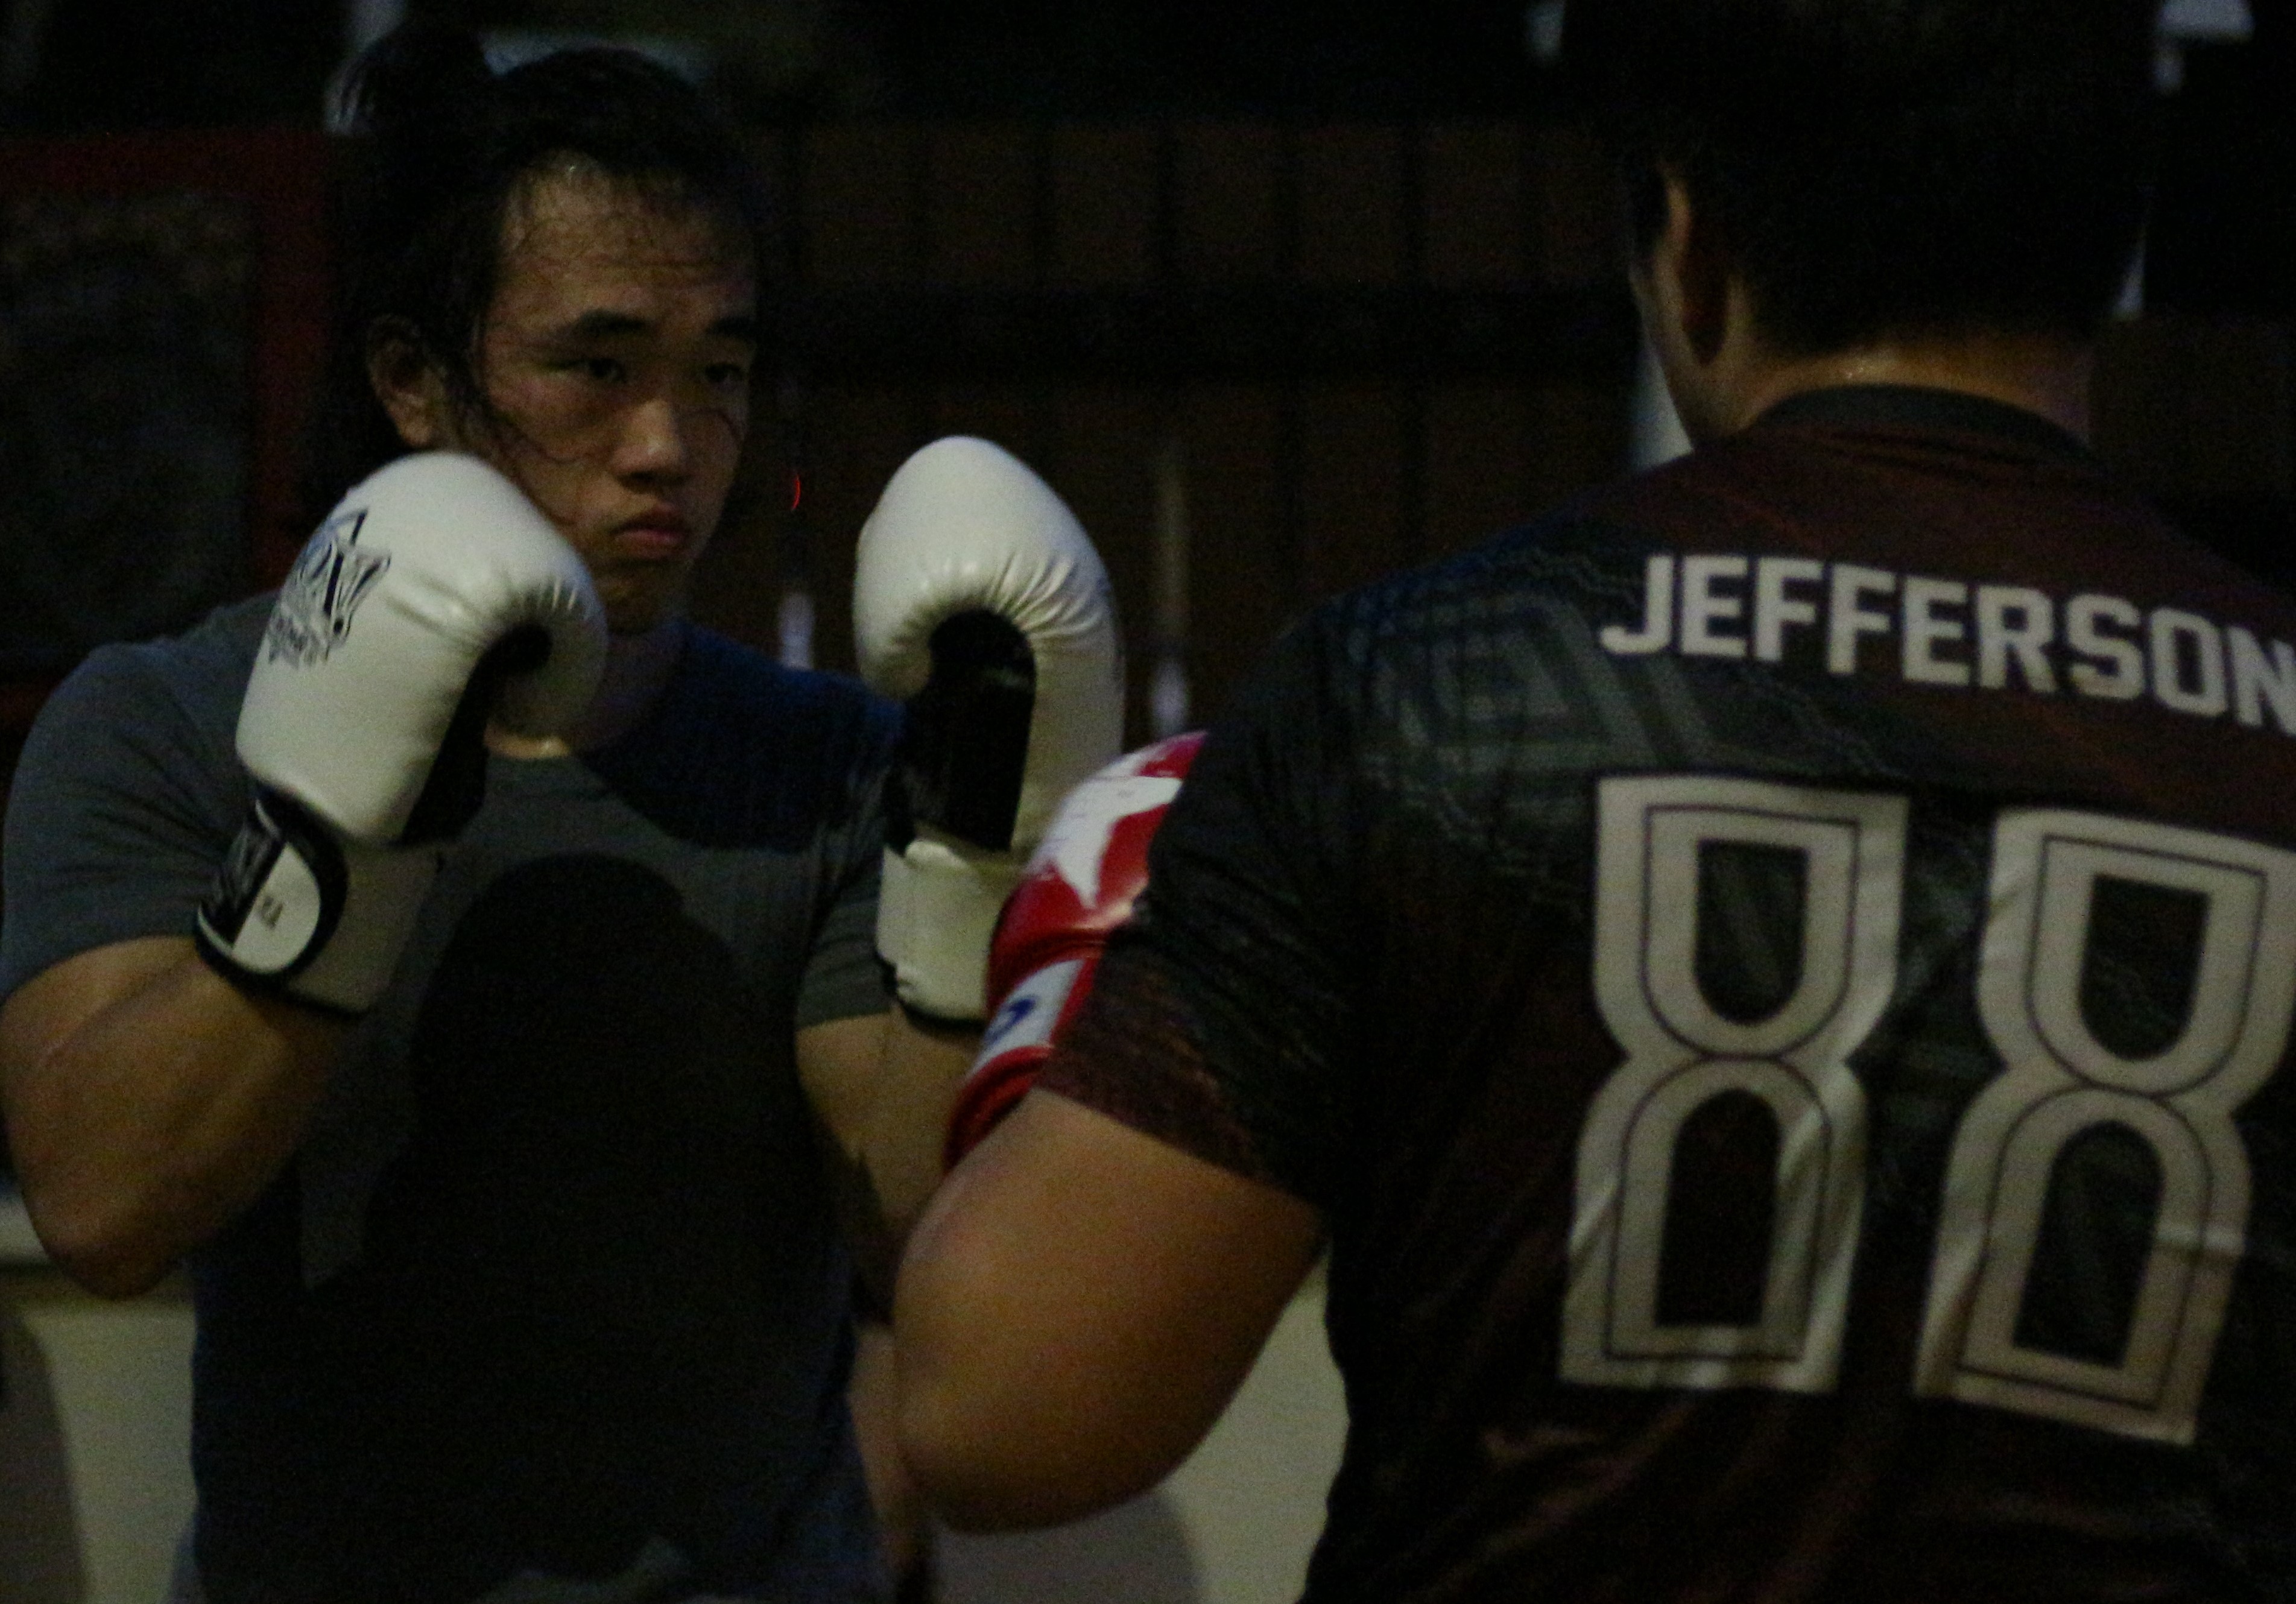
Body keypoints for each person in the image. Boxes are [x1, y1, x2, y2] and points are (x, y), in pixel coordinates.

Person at [893, 1, 2296, 1598]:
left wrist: (1036, 955)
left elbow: (1002, 1406)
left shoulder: (1423, 690)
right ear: (2113, 238)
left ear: (1686, 240)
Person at [0, 24, 1112, 1602]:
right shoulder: (170, 722)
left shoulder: (829, 764)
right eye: (596, 366)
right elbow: (103, 1204)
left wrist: (974, 859)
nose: (669, 446)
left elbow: (921, 1237)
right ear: (414, 380)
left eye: (716, 374)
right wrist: (341, 849)